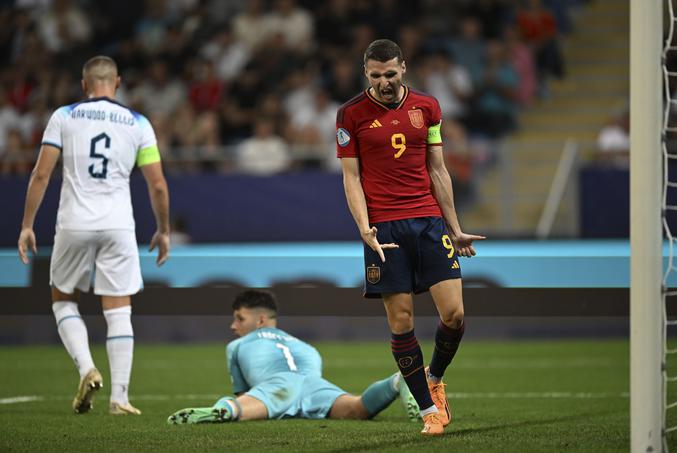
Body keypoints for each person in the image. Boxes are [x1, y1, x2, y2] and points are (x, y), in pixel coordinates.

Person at [336, 39, 485, 436]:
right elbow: (351, 179)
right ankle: (427, 411)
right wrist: (364, 228)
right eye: (375, 75)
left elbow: (438, 170)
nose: (384, 82)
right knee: (401, 323)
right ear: (366, 73)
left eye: (390, 73)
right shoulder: (350, 115)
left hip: (429, 223)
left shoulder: (428, 107)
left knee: (454, 315)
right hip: (384, 228)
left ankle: (434, 379)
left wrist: (454, 226)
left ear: (403, 68)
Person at [17, 56, 170, 416]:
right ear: (117, 81)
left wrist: (27, 224)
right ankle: (120, 397)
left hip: (74, 222)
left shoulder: (64, 116)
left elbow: (41, 175)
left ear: (84, 84)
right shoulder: (138, 123)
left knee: (62, 300)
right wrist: (163, 230)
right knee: (119, 308)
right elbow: (158, 185)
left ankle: (87, 368)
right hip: (119, 225)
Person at [167, 290, 419, 424]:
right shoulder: (306, 346)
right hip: (313, 384)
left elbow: (244, 394)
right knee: (357, 408)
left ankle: (220, 411)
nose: (234, 326)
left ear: (261, 320)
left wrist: (242, 404)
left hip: (277, 387)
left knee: (239, 408)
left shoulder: (237, 345)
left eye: (239, 318)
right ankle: (398, 380)